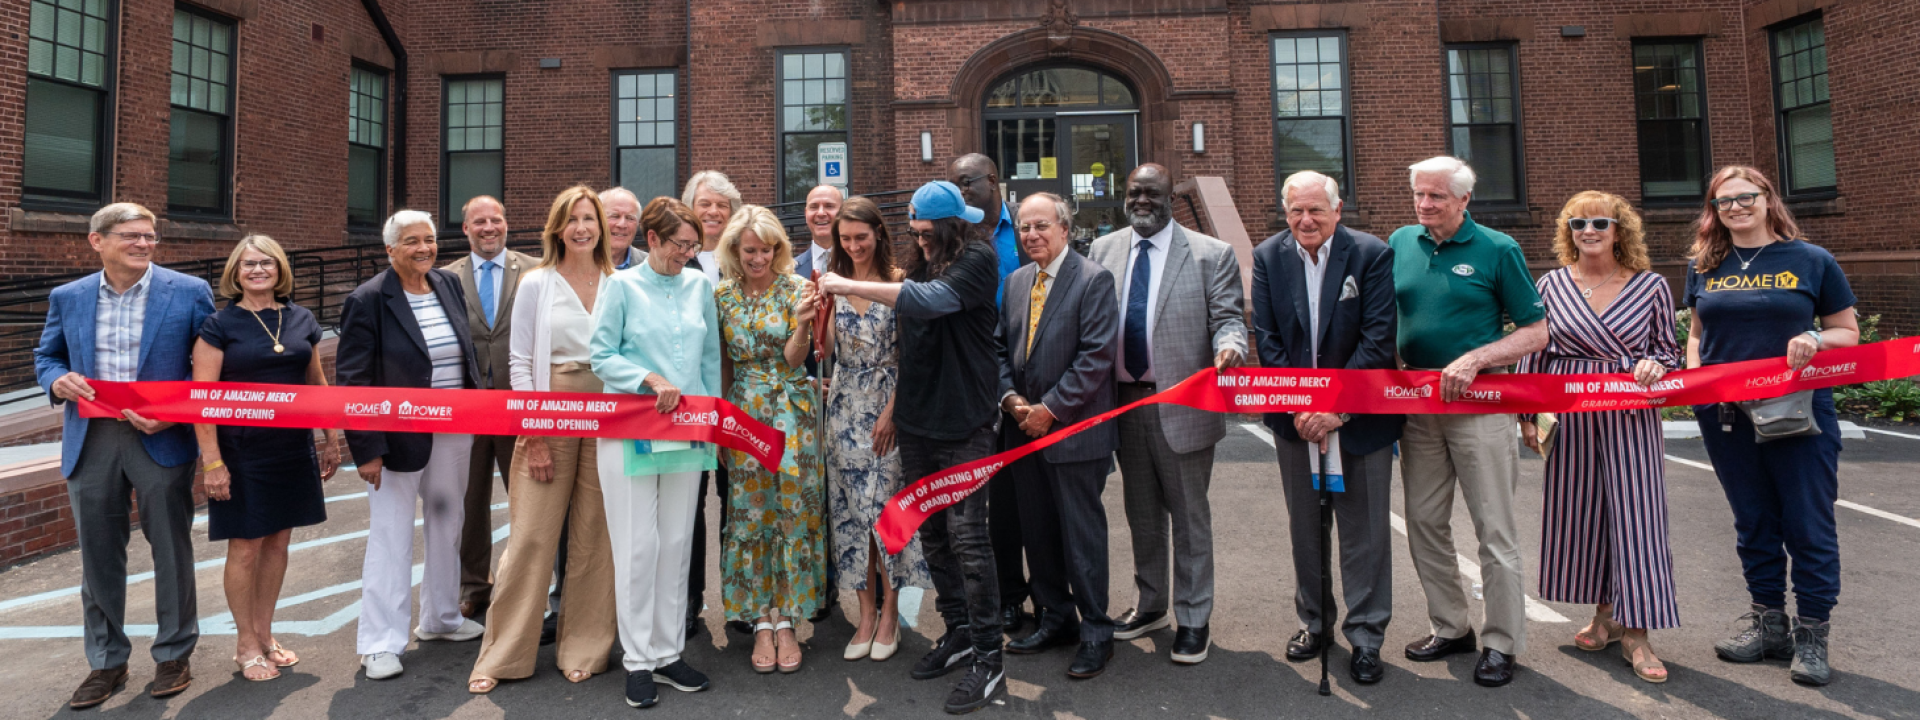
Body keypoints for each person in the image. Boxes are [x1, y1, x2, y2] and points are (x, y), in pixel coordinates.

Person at [820, 180, 1009, 714]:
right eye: (914, 233)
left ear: (953, 227)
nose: (920, 242)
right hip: (920, 424)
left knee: (969, 537)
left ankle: (989, 659)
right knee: (934, 538)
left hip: (967, 422)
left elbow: (929, 303)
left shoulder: (977, 259)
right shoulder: (923, 262)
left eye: (928, 233)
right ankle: (960, 631)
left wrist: (845, 284)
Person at [35, 202, 215, 709]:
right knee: (97, 557)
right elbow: (47, 356)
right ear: (98, 241)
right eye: (131, 236)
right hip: (90, 440)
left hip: (159, 435)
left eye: (150, 237)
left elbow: (207, 366)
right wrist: (56, 379)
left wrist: (173, 410)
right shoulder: (67, 297)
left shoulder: (188, 291)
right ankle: (107, 662)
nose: (143, 244)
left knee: (172, 550)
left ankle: (174, 653)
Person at [1685, 165, 1858, 687]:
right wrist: (1696, 380)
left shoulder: (1810, 260)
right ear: (1714, 211)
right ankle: (1768, 625)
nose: (1735, 208)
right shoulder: (1704, 264)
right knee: (1753, 520)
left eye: (1745, 197)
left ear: (1767, 199)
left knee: (1807, 522)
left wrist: (1815, 339)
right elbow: (1696, 333)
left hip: (1798, 412)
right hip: (1726, 416)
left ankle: (1811, 635)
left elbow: (1846, 332)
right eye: (1723, 202)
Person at [1388, 156, 1548, 688]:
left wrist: (1477, 358)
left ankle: (1501, 642)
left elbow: (1534, 331)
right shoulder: (1400, 242)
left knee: (1494, 530)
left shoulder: (1499, 250)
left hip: (1480, 407)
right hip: (1419, 408)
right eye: (1419, 195)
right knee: (1424, 523)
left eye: (1436, 196)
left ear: (1463, 201)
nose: (1425, 204)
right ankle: (1451, 626)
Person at [1514, 191, 1683, 685]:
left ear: (1619, 230)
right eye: (1578, 223)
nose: (1589, 231)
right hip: (1571, 418)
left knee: (1637, 516)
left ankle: (1638, 630)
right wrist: (1528, 415)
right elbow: (1534, 350)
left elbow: (1668, 351)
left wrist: (1657, 364)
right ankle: (1605, 613)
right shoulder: (1550, 284)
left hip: (1629, 414)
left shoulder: (1650, 286)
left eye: (1600, 223)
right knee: (1583, 515)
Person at [1087, 162, 1247, 665]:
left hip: (1184, 406)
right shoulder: (1103, 250)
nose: (1142, 201)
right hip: (1125, 404)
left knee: (1190, 518)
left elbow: (1227, 318)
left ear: (1170, 198)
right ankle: (1151, 604)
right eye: (1134, 192)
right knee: (1142, 516)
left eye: (1152, 194)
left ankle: (1194, 617)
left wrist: (1231, 347)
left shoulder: (1209, 253)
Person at [1249, 171, 1400, 685]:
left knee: (1366, 535)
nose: (1306, 220)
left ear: (1338, 210)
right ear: (1285, 211)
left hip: (1358, 420)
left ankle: (1365, 638)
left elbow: (1378, 341)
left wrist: (1336, 408)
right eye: (1296, 211)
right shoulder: (1269, 256)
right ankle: (1314, 624)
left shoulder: (1371, 254)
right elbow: (1267, 341)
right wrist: (1298, 406)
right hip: (1296, 423)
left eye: (1316, 210)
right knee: (1306, 531)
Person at [468, 186, 621, 693]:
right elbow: (518, 362)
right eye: (572, 219)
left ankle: (586, 647)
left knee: (594, 533)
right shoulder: (536, 283)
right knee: (532, 536)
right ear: (557, 228)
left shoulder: (619, 283)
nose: (582, 228)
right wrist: (532, 432)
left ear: (601, 226)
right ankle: (504, 654)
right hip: (550, 409)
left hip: (607, 411)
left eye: (589, 218)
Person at [337, 209, 487, 681]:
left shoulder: (446, 284)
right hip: (395, 438)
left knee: (448, 522)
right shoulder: (367, 300)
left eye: (428, 239)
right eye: (411, 242)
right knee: (391, 535)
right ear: (390, 250)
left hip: (452, 429)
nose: (424, 248)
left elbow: (464, 350)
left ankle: (441, 617)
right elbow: (353, 382)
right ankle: (380, 641)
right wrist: (367, 448)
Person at [190, 235, 342, 682]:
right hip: (241, 451)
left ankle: (265, 634)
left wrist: (331, 435)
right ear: (235, 272)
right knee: (246, 545)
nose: (258, 270)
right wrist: (212, 462)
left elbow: (316, 381)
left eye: (267, 263)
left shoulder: (301, 318)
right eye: (248, 264)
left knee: (278, 542)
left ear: (280, 269)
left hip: (291, 448)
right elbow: (203, 397)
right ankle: (245, 645)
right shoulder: (220, 324)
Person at [590, 196, 719, 708]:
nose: (686, 255)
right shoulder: (621, 286)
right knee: (638, 547)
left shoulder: (698, 285)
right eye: (678, 246)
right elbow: (600, 353)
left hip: (688, 431)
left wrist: (714, 422)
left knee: (676, 543)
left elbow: (709, 359)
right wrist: (645, 377)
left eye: (693, 246)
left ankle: (668, 654)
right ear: (652, 241)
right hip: (631, 431)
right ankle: (637, 660)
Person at [995, 193, 1122, 679]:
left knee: (1080, 537)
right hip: (1022, 431)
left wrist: (1050, 410)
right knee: (1038, 533)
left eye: (1041, 226)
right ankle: (1056, 619)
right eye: (1025, 227)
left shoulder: (1093, 280)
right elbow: (998, 351)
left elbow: (1095, 358)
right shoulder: (1015, 282)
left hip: (1074, 435)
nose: (1031, 235)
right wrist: (1011, 401)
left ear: (1065, 229)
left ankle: (1096, 631)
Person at [713, 205, 828, 673]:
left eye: (766, 250)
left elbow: (796, 358)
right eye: (749, 250)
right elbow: (721, 362)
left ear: (778, 249)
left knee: (792, 512)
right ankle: (761, 620)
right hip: (743, 411)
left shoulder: (797, 289)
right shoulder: (721, 295)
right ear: (735, 251)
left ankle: (788, 622)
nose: (757, 258)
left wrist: (801, 322)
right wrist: (719, 422)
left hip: (792, 411)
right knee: (750, 512)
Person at [820, 197, 932, 663]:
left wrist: (894, 411)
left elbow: (914, 355)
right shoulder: (829, 284)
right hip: (844, 405)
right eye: (845, 239)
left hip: (889, 401)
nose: (853, 246)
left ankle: (891, 612)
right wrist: (816, 315)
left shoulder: (901, 283)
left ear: (878, 235)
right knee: (849, 515)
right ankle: (864, 612)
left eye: (861, 237)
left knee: (886, 513)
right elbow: (824, 351)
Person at [948, 152, 1032, 635]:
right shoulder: (954, 237)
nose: (961, 195)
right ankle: (1007, 597)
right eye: (953, 187)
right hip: (977, 381)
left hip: (1033, 379)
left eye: (967, 184)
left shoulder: (1027, 228)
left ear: (993, 181)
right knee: (992, 501)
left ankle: (1050, 594)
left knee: (1037, 497)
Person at [443, 195, 534, 621]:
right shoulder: (445, 278)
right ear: (466, 230)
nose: (488, 228)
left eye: (495, 220)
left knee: (531, 500)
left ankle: (532, 585)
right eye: (478, 222)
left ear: (506, 224)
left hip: (520, 404)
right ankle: (474, 584)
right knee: (470, 501)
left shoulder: (534, 271)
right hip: (468, 407)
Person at [681, 170, 743, 636]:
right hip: (686, 401)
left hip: (738, 400)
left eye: (721, 205)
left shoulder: (745, 258)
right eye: (705, 204)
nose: (713, 212)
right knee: (687, 505)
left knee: (735, 499)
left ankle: (739, 601)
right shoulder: (673, 261)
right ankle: (689, 601)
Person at [795, 184, 844, 280]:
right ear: (806, 214)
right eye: (814, 207)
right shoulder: (790, 270)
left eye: (829, 206)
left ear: (842, 212)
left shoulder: (860, 263)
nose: (821, 213)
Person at [603, 186, 649, 270]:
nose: (622, 224)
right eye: (615, 216)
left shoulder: (650, 266)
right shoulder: (580, 263)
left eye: (630, 218)